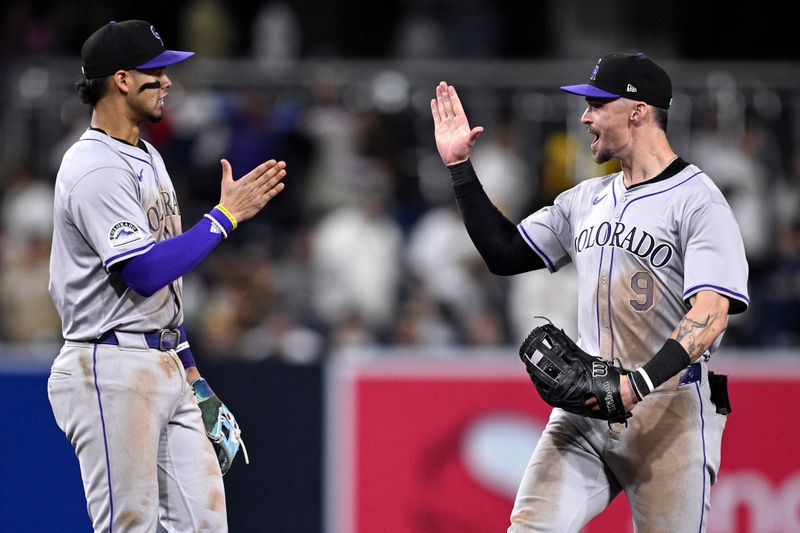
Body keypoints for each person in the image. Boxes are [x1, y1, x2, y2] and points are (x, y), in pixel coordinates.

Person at [431, 53, 749, 532]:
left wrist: (637, 383)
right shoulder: (587, 199)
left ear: (637, 111)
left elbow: (710, 315)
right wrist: (459, 168)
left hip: (670, 416)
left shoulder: (698, 201)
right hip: (588, 407)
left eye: (598, 104)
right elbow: (503, 253)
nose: (585, 116)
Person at [47, 20, 286, 532]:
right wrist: (225, 217)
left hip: (162, 359)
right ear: (123, 79)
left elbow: (164, 297)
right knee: (128, 526)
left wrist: (192, 372)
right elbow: (144, 272)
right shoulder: (93, 166)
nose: (168, 81)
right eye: (157, 71)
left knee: (204, 526)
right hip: (107, 363)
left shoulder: (147, 155)